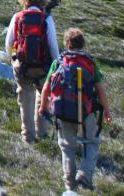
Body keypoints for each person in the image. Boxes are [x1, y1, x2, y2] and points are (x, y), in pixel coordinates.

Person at [39, 27, 113, 192]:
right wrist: (107, 111)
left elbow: (46, 88)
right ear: (83, 43)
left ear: (66, 43)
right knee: (93, 141)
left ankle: (70, 185)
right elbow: (100, 89)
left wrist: (43, 107)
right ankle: (85, 175)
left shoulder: (58, 62)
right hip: (86, 111)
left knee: (67, 147)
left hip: (63, 112)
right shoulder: (90, 62)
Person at [5, 0, 60, 143]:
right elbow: (53, 47)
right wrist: (55, 66)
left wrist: (12, 59)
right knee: (42, 96)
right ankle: (41, 132)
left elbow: (9, 43)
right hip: (43, 67)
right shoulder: (47, 19)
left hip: (22, 66)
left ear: (25, 2)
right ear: (43, 2)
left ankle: (27, 136)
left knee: (25, 98)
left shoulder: (17, 17)